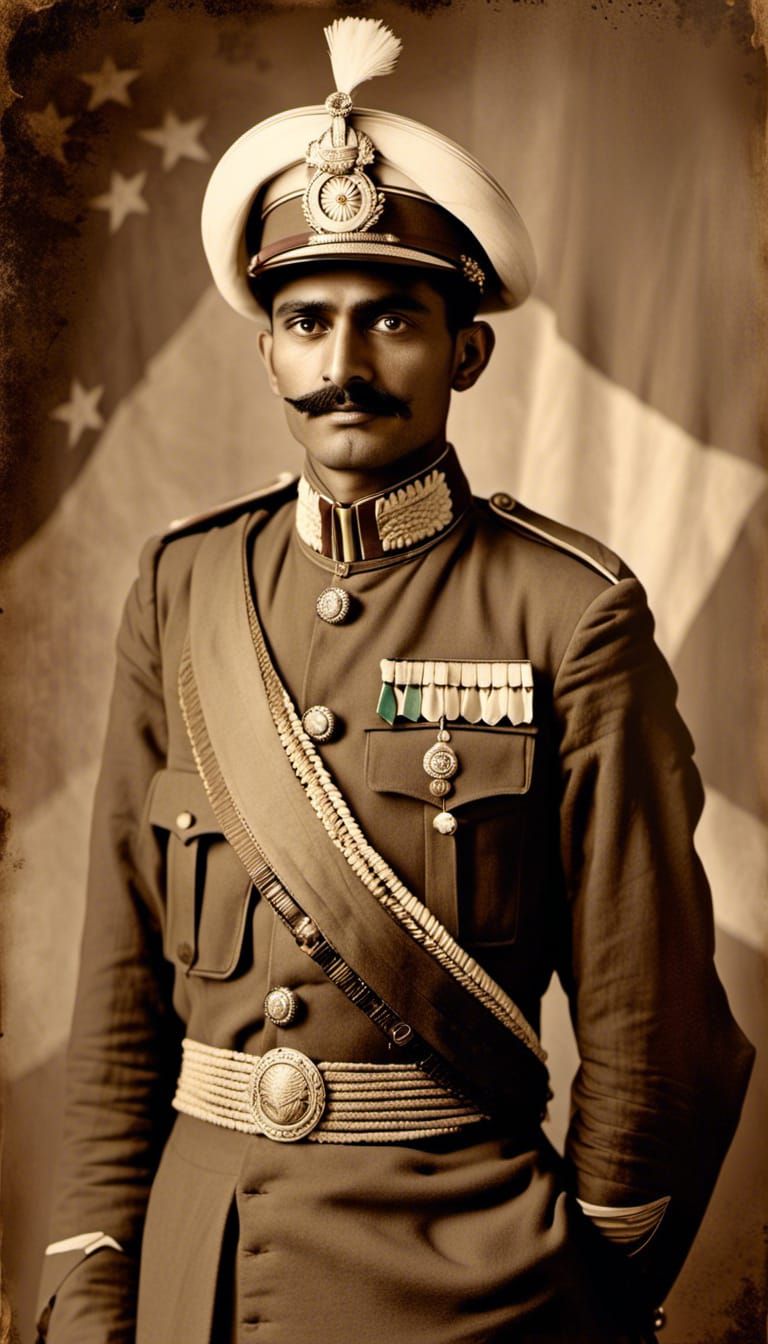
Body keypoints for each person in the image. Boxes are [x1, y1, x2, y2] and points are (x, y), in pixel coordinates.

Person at [37, 18, 754, 1344]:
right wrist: (91, 1275)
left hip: (469, 1285)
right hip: (194, 1275)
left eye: (393, 321)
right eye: (306, 320)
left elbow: (656, 1029)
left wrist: (582, 1293)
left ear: (465, 353)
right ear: (267, 350)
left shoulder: (570, 612)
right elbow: (117, 993)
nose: (343, 365)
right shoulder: (180, 590)